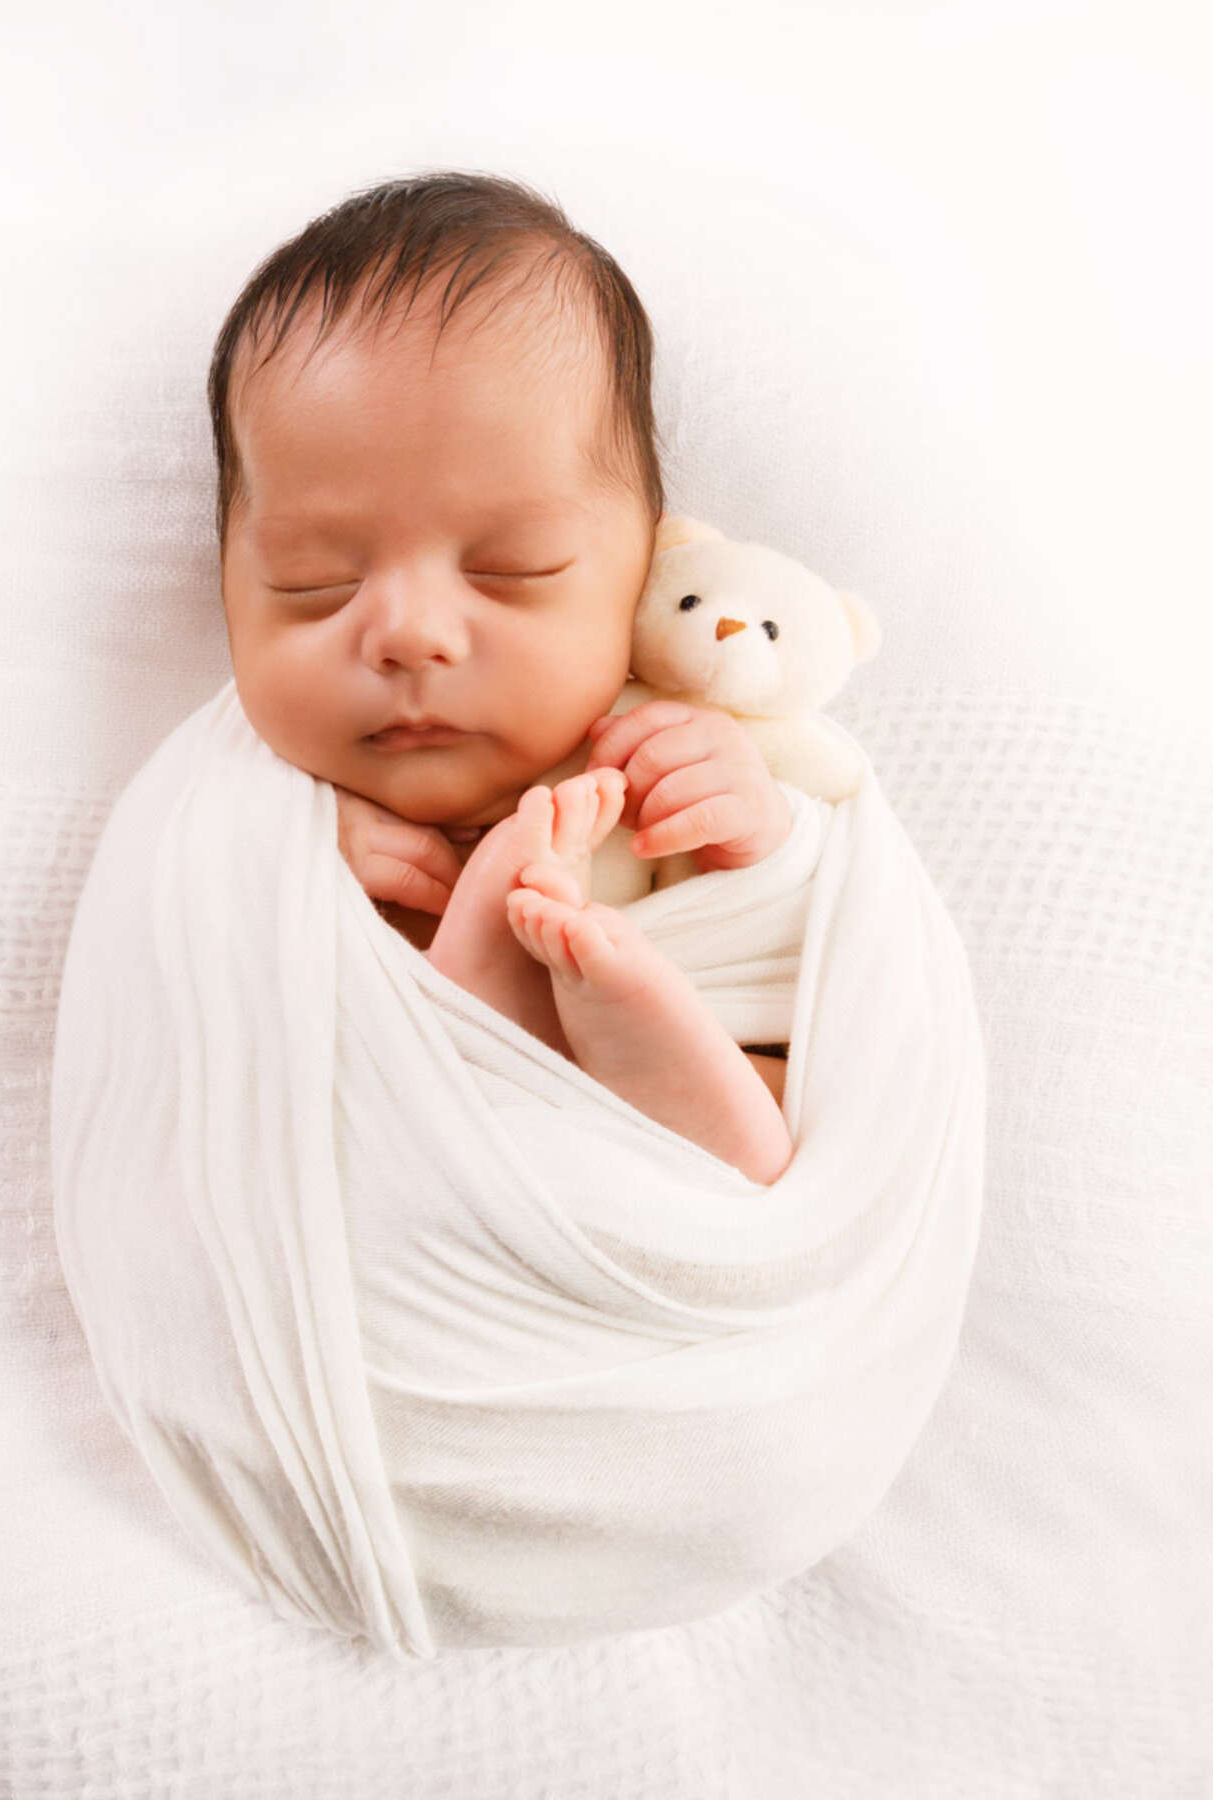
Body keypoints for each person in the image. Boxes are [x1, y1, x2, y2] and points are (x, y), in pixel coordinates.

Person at [206, 169, 798, 1184]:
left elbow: (828, 957)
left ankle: (648, 1079)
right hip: (409, 1194)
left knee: (786, 1090)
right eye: (314, 581)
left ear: (646, 575)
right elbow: (172, 974)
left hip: (680, 1186)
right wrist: (281, 865)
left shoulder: (661, 743)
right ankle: (514, 1032)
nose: (409, 635)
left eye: (511, 568)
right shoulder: (244, 801)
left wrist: (754, 837)